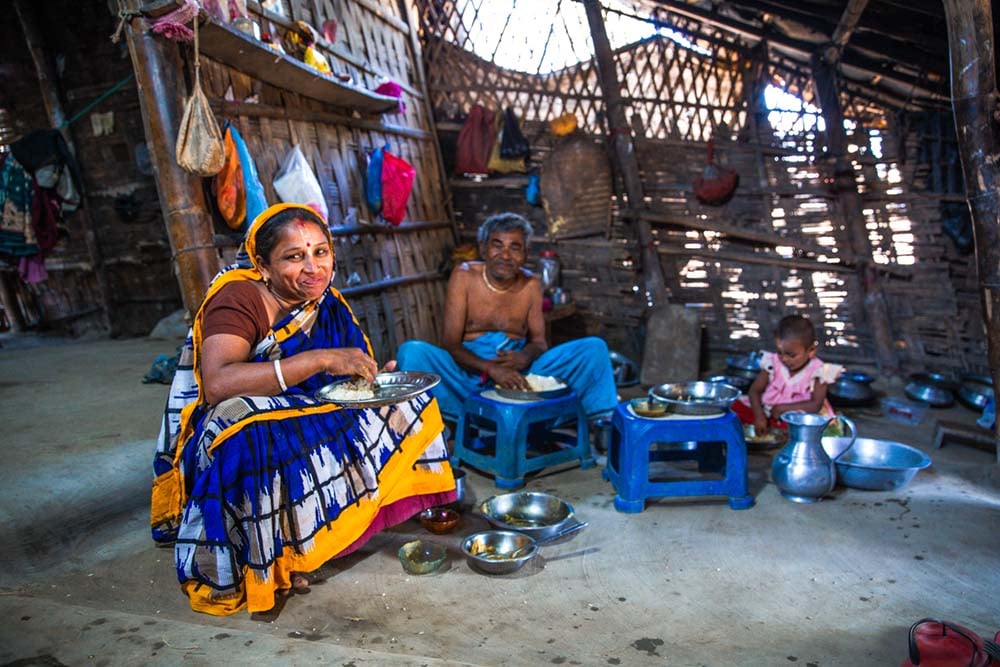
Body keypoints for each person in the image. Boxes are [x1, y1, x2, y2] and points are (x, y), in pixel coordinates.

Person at [151, 203, 455, 616]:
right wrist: (318, 360)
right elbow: (219, 384)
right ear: (262, 264)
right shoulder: (238, 297)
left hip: (306, 401)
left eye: (321, 252)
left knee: (410, 400)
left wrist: (368, 375)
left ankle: (338, 532)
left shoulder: (324, 300)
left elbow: (338, 375)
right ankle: (273, 557)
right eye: (294, 257)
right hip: (241, 415)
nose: (313, 267)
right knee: (251, 436)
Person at [396, 212, 617, 424]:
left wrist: (524, 357)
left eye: (515, 247)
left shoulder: (531, 284)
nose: (505, 255)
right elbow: (450, 344)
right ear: (483, 248)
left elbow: (539, 342)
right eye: (497, 245)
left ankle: (601, 424)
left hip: (519, 377)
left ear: (526, 254)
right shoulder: (464, 276)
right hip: (467, 376)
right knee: (412, 352)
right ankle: (438, 422)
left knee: (594, 349)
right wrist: (491, 369)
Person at [734, 314, 844, 432]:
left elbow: (816, 404)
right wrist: (759, 416)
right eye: (780, 352)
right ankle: (770, 425)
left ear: (811, 351)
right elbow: (754, 391)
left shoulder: (818, 371)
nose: (784, 359)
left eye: (791, 355)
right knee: (734, 408)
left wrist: (783, 409)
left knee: (810, 428)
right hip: (769, 412)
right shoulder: (773, 363)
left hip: (800, 417)